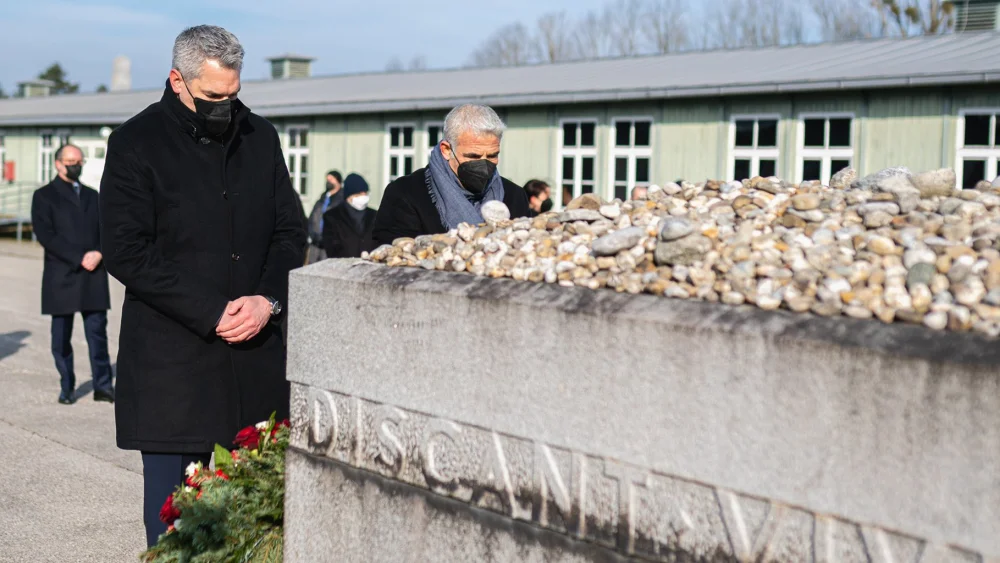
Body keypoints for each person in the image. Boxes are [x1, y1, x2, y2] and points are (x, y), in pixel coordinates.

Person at [99, 25, 307, 548]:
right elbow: (127, 250)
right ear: (177, 81)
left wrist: (268, 299)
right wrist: (212, 311)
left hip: (255, 362)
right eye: (213, 97)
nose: (226, 107)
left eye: (234, 95)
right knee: (177, 532)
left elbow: (289, 231)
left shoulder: (261, 137)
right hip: (176, 371)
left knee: (257, 526)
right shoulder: (135, 143)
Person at [372, 104, 528, 247]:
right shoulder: (406, 194)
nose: (484, 165)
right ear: (446, 150)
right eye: (473, 156)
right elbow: (392, 258)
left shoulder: (514, 196)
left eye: (492, 155)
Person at [30, 144, 114, 405]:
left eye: (79, 160)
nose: (76, 165)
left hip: (93, 275)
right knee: (61, 339)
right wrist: (79, 257)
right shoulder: (43, 196)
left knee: (97, 336)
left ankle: (103, 386)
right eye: (70, 161)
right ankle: (67, 386)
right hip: (63, 275)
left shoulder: (92, 195)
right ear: (58, 164)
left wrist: (99, 252)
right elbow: (46, 235)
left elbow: (107, 229)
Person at [322, 173, 376, 258]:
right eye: (358, 194)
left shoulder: (374, 215)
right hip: (344, 267)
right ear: (349, 196)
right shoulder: (332, 216)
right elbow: (332, 247)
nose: (363, 197)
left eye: (365, 193)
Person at [306, 170, 343, 263]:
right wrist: (312, 234)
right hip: (315, 243)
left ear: (338, 181)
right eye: (327, 179)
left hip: (329, 244)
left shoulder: (341, 199)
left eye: (331, 179)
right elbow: (312, 218)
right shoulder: (323, 198)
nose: (328, 182)